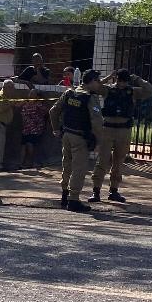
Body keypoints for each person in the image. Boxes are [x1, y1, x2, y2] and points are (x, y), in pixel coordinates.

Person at [90, 68, 152, 203]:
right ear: (116, 79)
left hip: (124, 130)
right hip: (107, 129)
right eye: (120, 80)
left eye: (125, 81)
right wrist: (108, 77)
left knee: (118, 161)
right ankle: (96, 191)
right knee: (102, 161)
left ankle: (114, 190)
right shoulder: (108, 90)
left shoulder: (132, 91)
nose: (122, 84)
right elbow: (94, 88)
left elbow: (151, 91)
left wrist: (137, 78)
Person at [48, 70, 104, 212]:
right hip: (80, 138)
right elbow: (97, 122)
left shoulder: (69, 93)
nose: (99, 83)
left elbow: (53, 111)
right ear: (91, 81)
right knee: (79, 168)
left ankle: (65, 195)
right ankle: (73, 200)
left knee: (67, 165)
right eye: (97, 80)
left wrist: (56, 129)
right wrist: (98, 142)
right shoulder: (90, 98)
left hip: (66, 135)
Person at [14, 69, 48, 170]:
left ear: (37, 97)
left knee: (30, 145)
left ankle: (31, 162)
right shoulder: (26, 102)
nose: (30, 95)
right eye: (30, 93)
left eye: (32, 94)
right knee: (24, 145)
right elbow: (16, 106)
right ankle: (21, 163)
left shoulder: (39, 105)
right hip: (26, 128)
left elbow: (47, 112)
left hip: (35, 129)